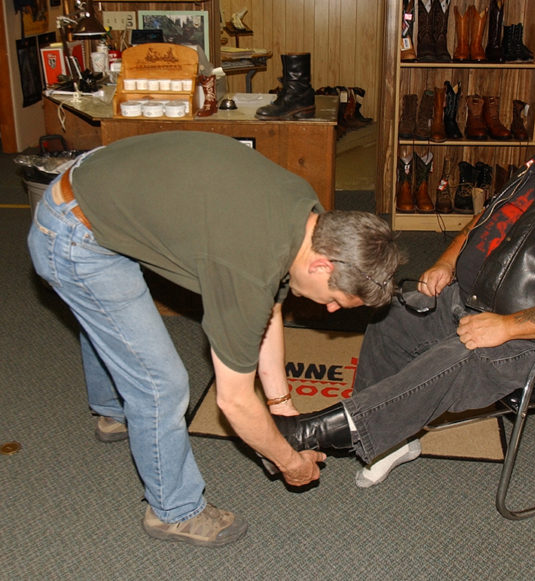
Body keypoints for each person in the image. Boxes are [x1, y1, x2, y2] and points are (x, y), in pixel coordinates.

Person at [272, 72, 535, 487]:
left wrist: (506, 327)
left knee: (458, 358)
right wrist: (446, 263)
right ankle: (393, 439)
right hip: (474, 299)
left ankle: (314, 431)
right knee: (392, 313)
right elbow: (489, 218)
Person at [27, 131, 401, 546]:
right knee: (161, 385)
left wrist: (283, 410)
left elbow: (269, 310)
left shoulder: (307, 216)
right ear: (321, 266)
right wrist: (288, 460)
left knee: (112, 321)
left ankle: (115, 410)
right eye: (336, 300)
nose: (330, 311)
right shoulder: (247, 268)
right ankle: (174, 511)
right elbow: (234, 400)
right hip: (72, 233)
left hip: (112, 185)